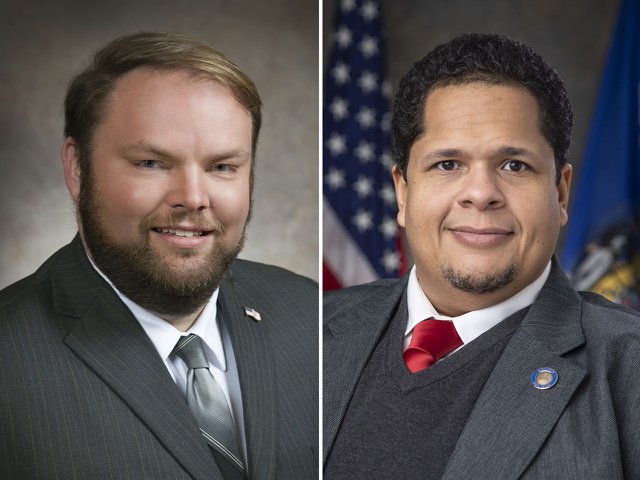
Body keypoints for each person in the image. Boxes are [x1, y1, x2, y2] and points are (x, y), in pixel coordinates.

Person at [0, 32, 317, 480]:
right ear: (77, 168)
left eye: (222, 167)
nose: (193, 198)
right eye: (151, 163)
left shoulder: (314, 316)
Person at [323, 33, 640, 479]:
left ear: (561, 191)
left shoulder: (628, 369)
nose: (480, 194)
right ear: (402, 191)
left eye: (514, 165)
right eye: (447, 164)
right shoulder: (309, 334)